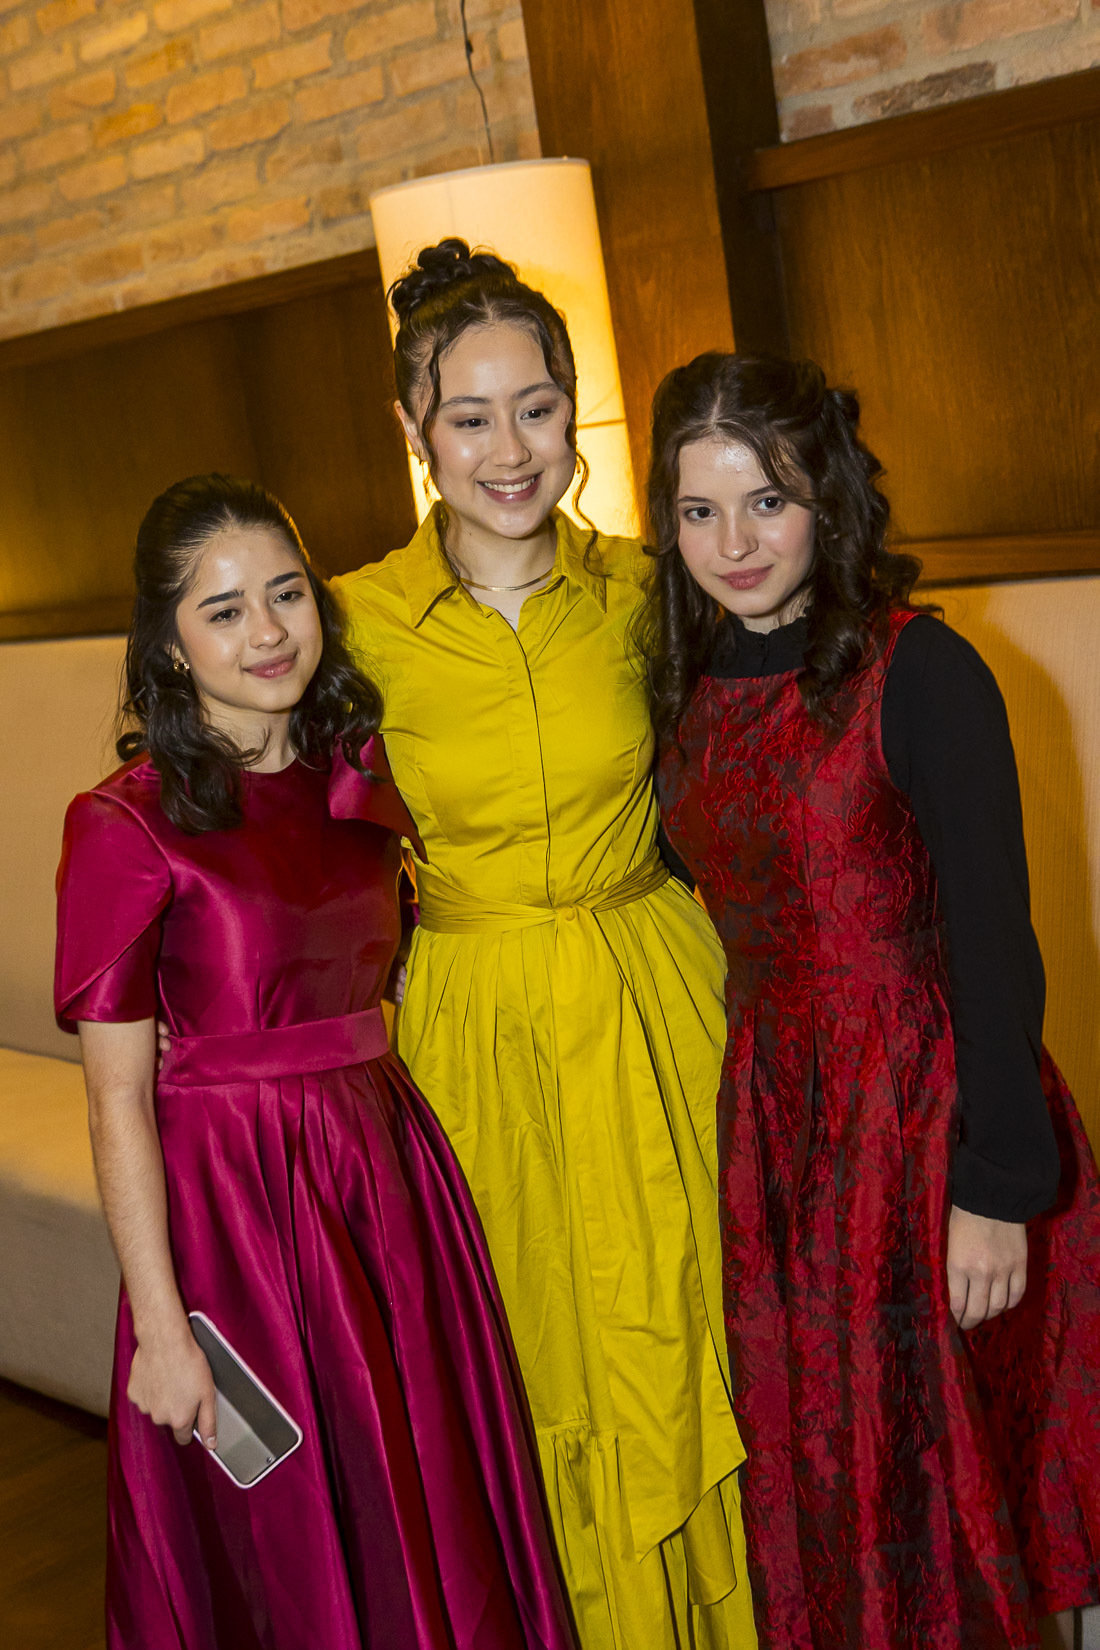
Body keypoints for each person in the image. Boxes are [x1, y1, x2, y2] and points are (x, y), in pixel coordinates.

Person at [54, 474, 578, 1650]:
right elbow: (115, 1101)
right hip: (234, 1209)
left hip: (385, 1175)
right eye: (224, 610)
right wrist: (163, 1328)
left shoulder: (356, 777)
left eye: (286, 593)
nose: (269, 631)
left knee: (421, 1497)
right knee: (281, 1529)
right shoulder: (124, 823)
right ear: (169, 645)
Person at [334, 241, 758, 1650]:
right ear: (413, 428)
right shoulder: (348, 622)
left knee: (699, 1332)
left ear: (575, 406)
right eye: (469, 417)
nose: (510, 451)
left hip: (656, 1002)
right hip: (473, 1031)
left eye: (537, 408)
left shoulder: (651, 587)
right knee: (528, 1362)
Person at [645, 351, 1100, 1650]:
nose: (735, 544)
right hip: (777, 1123)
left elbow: (994, 943)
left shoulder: (922, 669)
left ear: (826, 499)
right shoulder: (677, 680)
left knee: (938, 1478)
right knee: (827, 1468)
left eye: (768, 502)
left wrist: (997, 1187)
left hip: (921, 1115)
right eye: (699, 511)